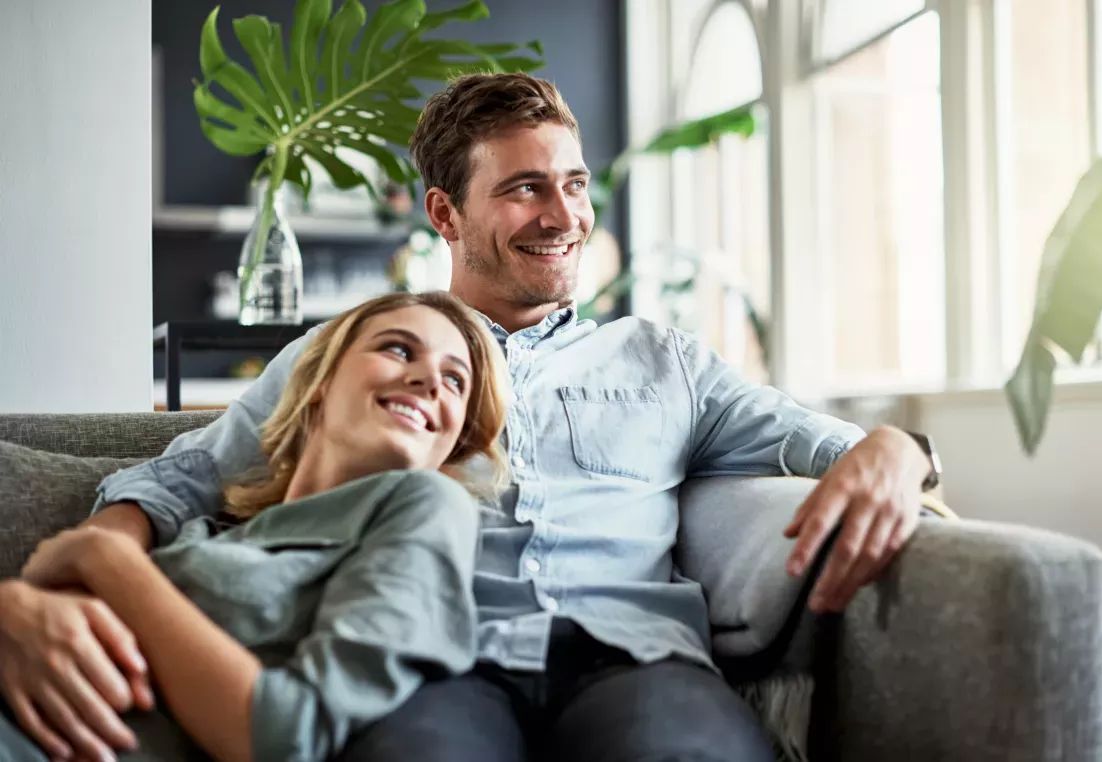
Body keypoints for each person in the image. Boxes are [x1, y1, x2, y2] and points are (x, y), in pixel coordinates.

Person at [0, 74, 940, 762]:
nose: (561, 213)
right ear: (444, 213)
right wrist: (71, 577)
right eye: (524, 187)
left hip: (637, 662)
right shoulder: (362, 355)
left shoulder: (666, 362)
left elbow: (839, 445)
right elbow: (173, 480)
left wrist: (899, 449)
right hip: (429, 666)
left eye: (572, 183)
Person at [0, 291, 508, 762]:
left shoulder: (429, 507)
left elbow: (289, 734)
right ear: (319, 384)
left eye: (456, 380)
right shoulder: (210, 524)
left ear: (454, 438)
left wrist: (106, 560)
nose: (430, 380)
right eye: (398, 350)